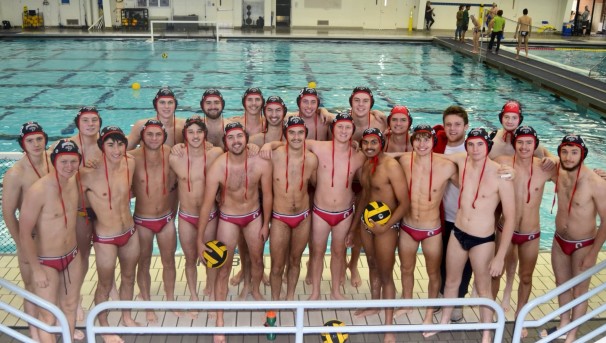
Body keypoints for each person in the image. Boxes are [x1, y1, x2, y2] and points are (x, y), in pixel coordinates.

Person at [426, 128, 515, 343]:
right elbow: (431, 155)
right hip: (458, 233)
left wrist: (500, 256)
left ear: (488, 146)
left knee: (484, 288)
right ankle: (445, 322)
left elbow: (511, 218)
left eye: (480, 144)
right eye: (471, 144)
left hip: (482, 240)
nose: (475, 149)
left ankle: (486, 332)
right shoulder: (462, 161)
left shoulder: (501, 174)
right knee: (450, 282)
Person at [198, 122, 273, 343]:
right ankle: (220, 318)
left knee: (258, 261)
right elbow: (206, 204)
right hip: (229, 218)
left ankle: (256, 290)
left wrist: (266, 223)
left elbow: (267, 195)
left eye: (240, 136)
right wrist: (199, 240)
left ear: (246, 139)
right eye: (231, 138)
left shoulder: (260, 163)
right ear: (225, 142)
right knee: (223, 269)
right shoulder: (219, 167)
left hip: (253, 216)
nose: (236, 141)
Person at [540, 135, 606, 342]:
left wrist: (593, 253)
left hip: (583, 244)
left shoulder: (596, 182)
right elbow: (535, 151)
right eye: (565, 152)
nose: (568, 158)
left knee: (580, 290)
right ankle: (564, 324)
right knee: (561, 284)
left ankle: (573, 334)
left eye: (574, 152)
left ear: (583, 155)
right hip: (560, 240)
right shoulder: (558, 171)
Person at [493, 126, 557, 338]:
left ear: (535, 145)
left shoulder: (545, 168)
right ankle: (492, 314)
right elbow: (479, 156)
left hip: (531, 233)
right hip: (505, 229)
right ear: (514, 144)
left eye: (529, 142)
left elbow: (572, 176)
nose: (524, 146)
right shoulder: (502, 161)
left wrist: (553, 157)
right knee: (497, 273)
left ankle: (520, 315)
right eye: (520, 142)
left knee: (527, 277)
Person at [79, 126, 141, 342]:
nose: (116, 149)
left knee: (129, 277)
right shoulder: (87, 174)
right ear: (101, 147)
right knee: (105, 283)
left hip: (129, 232)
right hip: (105, 237)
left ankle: (126, 316)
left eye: (120, 144)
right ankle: (104, 325)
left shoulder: (130, 163)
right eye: (110, 144)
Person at [19, 139, 84, 343]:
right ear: (54, 161)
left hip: (72, 256)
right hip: (46, 261)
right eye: (64, 162)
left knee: (70, 306)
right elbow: (24, 233)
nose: (69, 167)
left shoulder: (74, 181)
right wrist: (36, 269)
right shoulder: (38, 190)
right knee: (48, 315)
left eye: (73, 162)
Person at [396, 125, 457, 325]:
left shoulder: (446, 166)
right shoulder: (404, 161)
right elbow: (382, 155)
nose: (422, 144)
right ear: (412, 141)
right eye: (418, 139)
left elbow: (470, 182)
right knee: (406, 268)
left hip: (431, 230)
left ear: (433, 142)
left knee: (433, 273)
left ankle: (430, 312)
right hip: (407, 226)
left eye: (426, 140)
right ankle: (407, 302)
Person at [354, 128, 408, 343]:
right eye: (365, 143)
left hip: (387, 228)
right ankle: (375, 304)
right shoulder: (366, 164)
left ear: (382, 143)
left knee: (386, 274)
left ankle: (388, 328)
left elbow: (405, 203)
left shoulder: (391, 166)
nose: (369, 146)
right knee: (372, 265)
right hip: (366, 225)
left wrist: (386, 227)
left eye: (373, 142)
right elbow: (364, 197)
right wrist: (353, 227)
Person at [2, 122, 52, 341]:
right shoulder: (16, 173)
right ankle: (33, 331)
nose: (36, 144)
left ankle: (52, 325)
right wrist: (21, 245)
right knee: (32, 285)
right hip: (30, 239)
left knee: (52, 283)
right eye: (30, 140)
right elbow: (8, 213)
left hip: (52, 237)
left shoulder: (53, 161)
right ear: (23, 144)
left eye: (39, 139)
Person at [169, 118, 223, 308]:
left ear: (205, 134)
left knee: (212, 259)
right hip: (186, 216)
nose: (195, 136)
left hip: (209, 216)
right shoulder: (174, 157)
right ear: (184, 134)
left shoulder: (216, 153)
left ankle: (210, 290)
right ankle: (193, 296)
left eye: (199, 132)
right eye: (190, 132)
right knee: (190, 258)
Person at [130, 119, 178, 322]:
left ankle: (169, 300)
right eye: (149, 134)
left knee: (169, 261)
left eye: (158, 134)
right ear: (142, 136)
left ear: (164, 136)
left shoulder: (172, 154)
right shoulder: (131, 158)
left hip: (166, 219)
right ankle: (148, 303)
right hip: (142, 220)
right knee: (144, 263)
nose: (154, 138)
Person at [268, 116, 318, 301]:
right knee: (276, 266)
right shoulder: (274, 156)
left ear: (306, 135)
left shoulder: (312, 160)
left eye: (300, 133)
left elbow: (316, 186)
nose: (296, 137)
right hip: (280, 218)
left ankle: (289, 297)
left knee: (295, 261)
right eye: (292, 132)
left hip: (303, 218)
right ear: (285, 135)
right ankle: (274, 302)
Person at [433, 106, 472, 323]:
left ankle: (458, 301)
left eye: (457, 124)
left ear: (466, 126)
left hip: (464, 219)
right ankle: (441, 294)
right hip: (440, 217)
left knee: (464, 263)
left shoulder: (473, 150)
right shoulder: (437, 146)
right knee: (440, 261)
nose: (452, 128)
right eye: (448, 124)